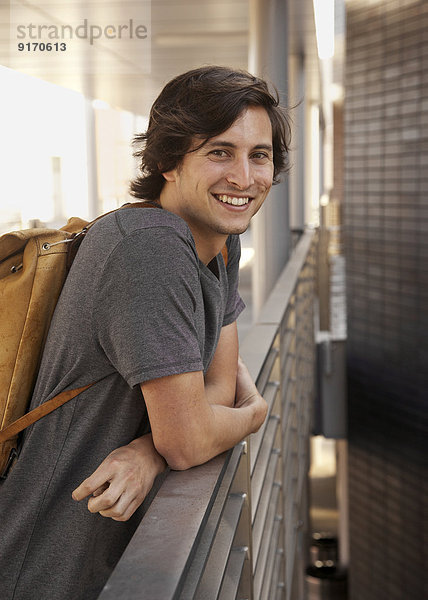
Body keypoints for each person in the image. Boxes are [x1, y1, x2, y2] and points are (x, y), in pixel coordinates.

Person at [0, 65, 291, 600]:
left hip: (106, 554)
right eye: (219, 152)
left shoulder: (220, 245)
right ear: (165, 161)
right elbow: (193, 436)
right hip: (39, 560)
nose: (245, 178)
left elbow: (215, 390)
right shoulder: (148, 248)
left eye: (260, 155)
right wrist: (253, 415)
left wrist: (149, 451)